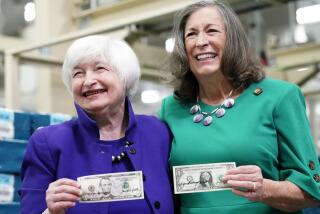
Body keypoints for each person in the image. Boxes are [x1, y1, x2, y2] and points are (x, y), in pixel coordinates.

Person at [159, 0, 320, 213]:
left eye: (212, 31)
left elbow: (312, 191)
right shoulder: (170, 108)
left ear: (232, 40)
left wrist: (266, 189)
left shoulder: (280, 97)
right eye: (191, 34)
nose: (201, 41)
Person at [20, 35, 174, 214]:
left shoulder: (158, 133)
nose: (88, 81)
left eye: (100, 69)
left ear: (125, 77)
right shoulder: (47, 143)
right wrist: (50, 211)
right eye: (78, 73)